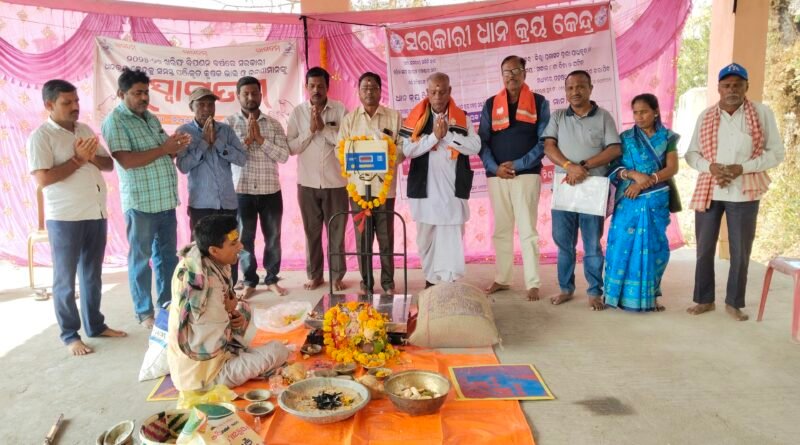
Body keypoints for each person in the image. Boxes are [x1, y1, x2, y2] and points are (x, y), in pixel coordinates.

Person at [27, 79, 127, 356]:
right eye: (67, 102)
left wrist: (90, 157)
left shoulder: (83, 130)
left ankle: (95, 325)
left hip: (95, 213)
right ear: (49, 105)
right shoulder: (41, 137)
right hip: (65, 218)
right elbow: (43, 179)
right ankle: (70, 335)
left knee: (92, 275)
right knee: (65, 279)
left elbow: (108, 164)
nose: (75, 107)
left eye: (76, 101)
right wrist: (78, 160)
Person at [685, 63, 784, 321]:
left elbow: (776, 153)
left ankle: (734, 303)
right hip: (710, 189)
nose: (732, 90)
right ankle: (704, 300)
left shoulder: (761, 113)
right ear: (718, 88)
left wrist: (743, 168)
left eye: (737, 85)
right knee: (704, 249)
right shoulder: (706, 116)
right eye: (727, 85)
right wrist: (710, 167)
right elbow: (691, 154)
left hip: (745, 191)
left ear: (746, 87)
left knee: (740, 251)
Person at [101, 67, 191, 329]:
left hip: (164, 200)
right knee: (140, 260)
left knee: (167, 258)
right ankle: (144, 312)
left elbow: (165, 151)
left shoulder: (150, 118)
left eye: (146, 92)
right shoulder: (115, 121)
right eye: (137, 93)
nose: (143, 98)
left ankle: (166, 305)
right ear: (121, 94)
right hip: (141, 203)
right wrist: (164, 148)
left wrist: (175, 146)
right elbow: (126, 160)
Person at [167, 215, 289, 391]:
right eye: (233, 244)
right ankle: (234, 364)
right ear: (214, 250)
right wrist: (229, 310)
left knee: (243, 308)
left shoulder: (199, 255)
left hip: (210, 352)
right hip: (203, 376)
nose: (240, 246)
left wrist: (232, 312)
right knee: (278, 350)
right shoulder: (205, 285)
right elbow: (212, 342)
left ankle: (239, 356)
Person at [542, 70, 621, 311]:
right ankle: (566, 289)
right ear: (565, 91)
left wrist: (583, 167)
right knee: (563, 243)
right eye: (570, 88)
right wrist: (569, 166)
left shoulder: (604, 116)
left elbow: (614, 149)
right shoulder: (558, 116)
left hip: (593, 189)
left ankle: (594, 292)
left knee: (592, 244)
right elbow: (548, 146)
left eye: (580, 86)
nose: (575, 91)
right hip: (564, 188)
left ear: (590, 88)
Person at [478, 55, 551, 301]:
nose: (511, 75)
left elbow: (544, 141)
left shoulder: (539, 102)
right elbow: (482, 141)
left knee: (528, 230)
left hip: (526, 175)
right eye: (507, 72)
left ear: (525, 73)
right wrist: (494, 167)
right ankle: (503, 278)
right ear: (502, 76)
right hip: (496, 175)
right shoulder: (490, 104)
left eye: (516, 70)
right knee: (501, 229)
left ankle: (533, 282)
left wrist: (519, 164)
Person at [401, 72, 481, 287]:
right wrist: (434, 137)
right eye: (433, 92)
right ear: (427, 93)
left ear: (449, 92)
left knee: (452, 237)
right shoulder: (416, 118)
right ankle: (430, 280)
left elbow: (475, 146)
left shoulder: (462, 118)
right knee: (425, 239)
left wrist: (448, 136)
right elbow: (407, 150)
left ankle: (449, 281)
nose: (438, 96)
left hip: (452, 191)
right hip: (425, 192)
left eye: (442, 92)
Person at [605, 94, 679, 312]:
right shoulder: (625, 138)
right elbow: (613, 167)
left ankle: (650, 296)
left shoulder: (667, 137)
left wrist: (647, 181)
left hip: (655, 198)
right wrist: (633, 175)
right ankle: (616, 296)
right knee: (621, 244)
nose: (639, 117)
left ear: (655, 112)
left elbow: (672, 168)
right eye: (635, 112)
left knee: (654, 248)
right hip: (628, 199)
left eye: (644, 111)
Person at [338, 72, 404, 295]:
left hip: (385, 191)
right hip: (358, 190)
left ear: (380, 90)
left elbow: (403, 148)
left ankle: (388, 283)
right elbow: (339, 150)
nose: (369, 92)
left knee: (386, 238)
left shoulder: (394, 117)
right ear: (358, 92)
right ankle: (366, 283)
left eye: (373, 87)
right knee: (363, 239)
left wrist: (387, 153)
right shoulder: (349, 120)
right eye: (364, 88)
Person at [224, 76, 290, 298]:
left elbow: (283, 156)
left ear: (261, 96)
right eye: (246, 94)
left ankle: (271, 278)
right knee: (244, 239)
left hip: (270, 190)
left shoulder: (273, 124)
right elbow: (227, 156)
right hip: (242, 191)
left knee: (273, 237)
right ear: (238, 96)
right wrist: (246, 142)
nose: (250, 97)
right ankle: (249, 280)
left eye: (254, 93)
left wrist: (261, 140)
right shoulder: (229, 124)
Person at [176, 87, 246, 285]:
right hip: (201, 204)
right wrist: (204, 143)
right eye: (201, 105)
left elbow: (242, 159)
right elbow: (183, 166)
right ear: (192, 107)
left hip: (227, 204)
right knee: (203, 251)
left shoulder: (225, 130)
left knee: (231, 246)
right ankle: (205, 291)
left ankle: (230, 290)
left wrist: (218, 144)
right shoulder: (183, 132)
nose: (207, 109)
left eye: (210, 104)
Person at [287, 67, 349, 291]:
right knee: (311, 232)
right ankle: (315, 275)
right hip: (307, 184)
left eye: (320, 86)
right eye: (312, 86)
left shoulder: (340, 110)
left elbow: (346, 143)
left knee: (337, 234)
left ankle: (337, 276)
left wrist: (323, 130)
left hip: (336, 183)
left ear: (327, 87)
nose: (316, 90)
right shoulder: (298, 113)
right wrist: (311, 131)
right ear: (306, 87)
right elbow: (291, 148)